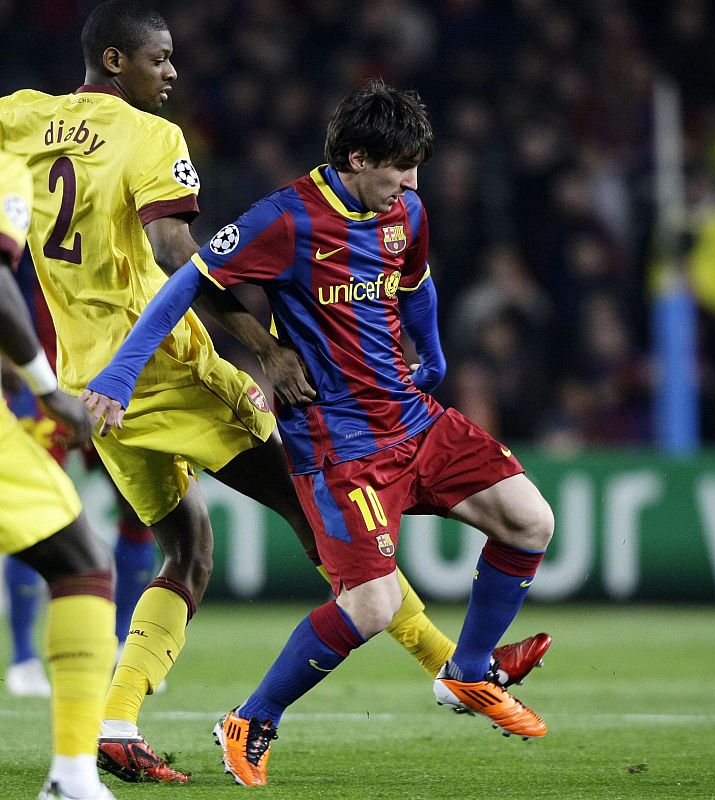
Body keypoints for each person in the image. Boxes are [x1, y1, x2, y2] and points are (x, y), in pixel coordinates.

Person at [0, 0, 548, 783]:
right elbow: (175, 252)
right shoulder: (153, 138)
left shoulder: (21, 116)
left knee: (186, 550)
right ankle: (454, 670)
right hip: (165, 371)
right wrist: (259, 347)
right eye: (159, 59)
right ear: (116, 62)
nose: (172, 72)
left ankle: (115, 722)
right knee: (321, 521)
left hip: (90, 383)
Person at [0, 148, 117, 800]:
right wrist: (47, 389)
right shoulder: (6, 164)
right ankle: (72, 774)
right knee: (77, 563)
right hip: (48, 384)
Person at [3, 256, 157, 699]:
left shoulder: (108, 210)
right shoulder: (25, 213)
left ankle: (122, 639)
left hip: (110, 380)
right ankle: (23, 657)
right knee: (36, 510)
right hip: (44, 384)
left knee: (138, 505)